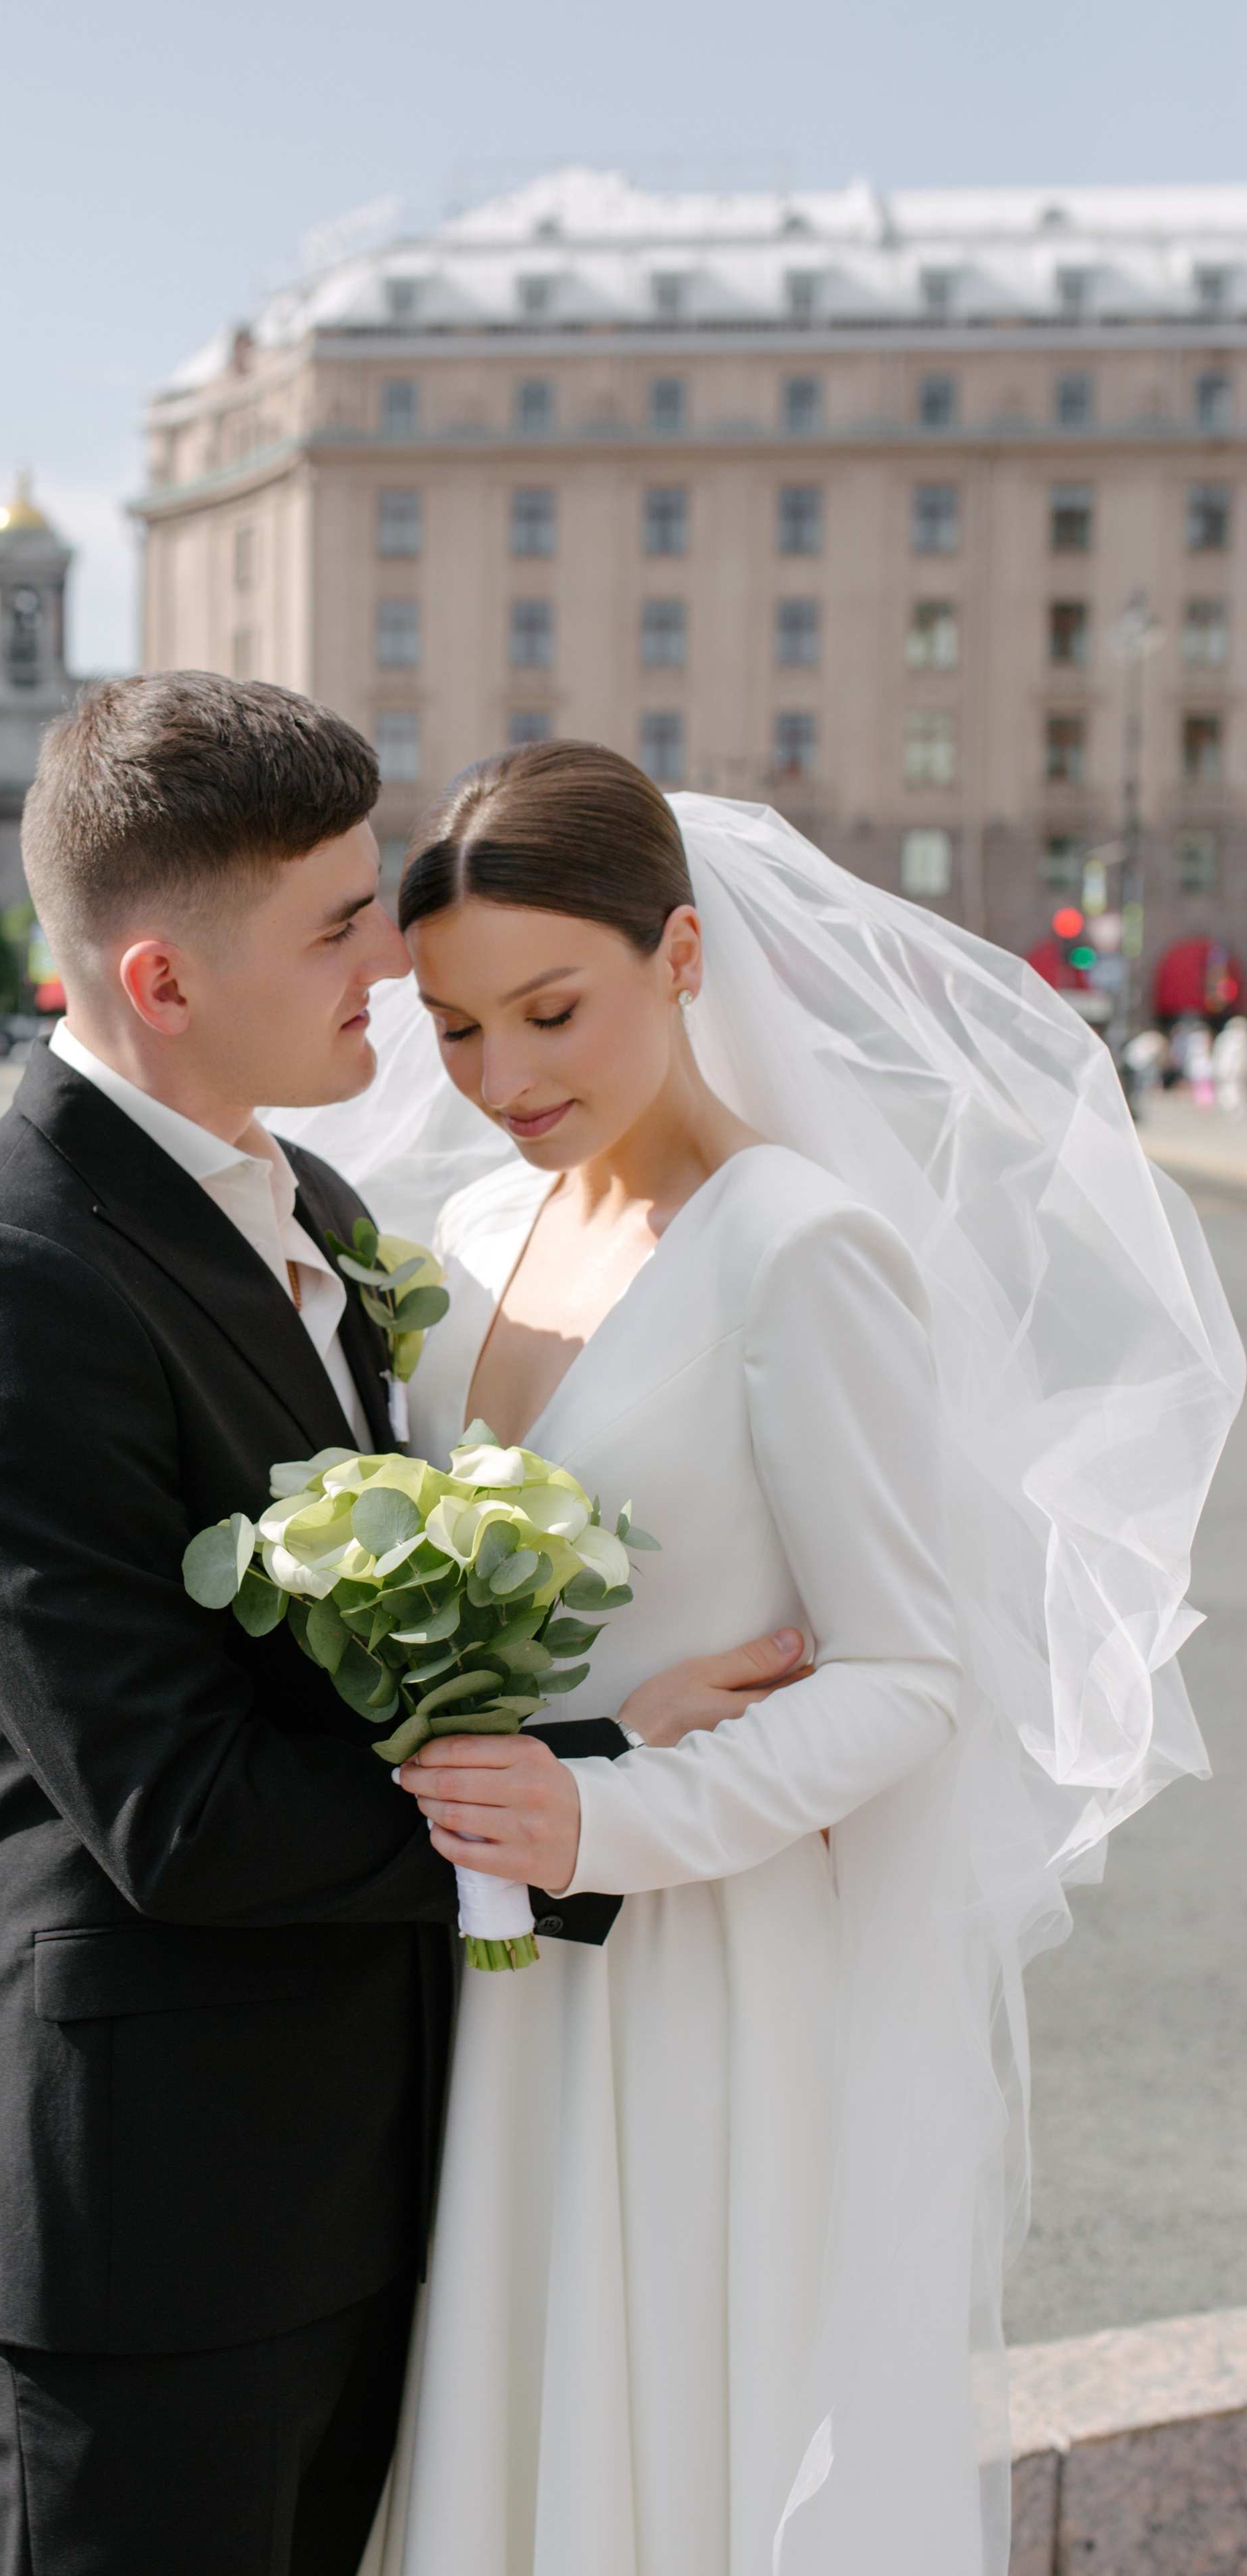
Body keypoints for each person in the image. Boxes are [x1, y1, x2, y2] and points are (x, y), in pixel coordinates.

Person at [0, 678, 806, 2576]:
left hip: (369, 2174)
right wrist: (602, 1778)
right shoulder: (0, 1284)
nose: (392, 951)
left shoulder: (325, 1207)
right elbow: (178, 1810)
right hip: (146, 2226)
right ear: (165, 981)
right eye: (338, 924)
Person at [280, 742, 1238, 2576]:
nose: (504, 1080)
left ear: (687, 957)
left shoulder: (802, 1249)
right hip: (489, 1961)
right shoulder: (474, 1235)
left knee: (678, 2449)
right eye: (463, 1030)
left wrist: (618, 1810)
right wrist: (560, 1753)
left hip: (698, 1966)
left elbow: (908, 1676)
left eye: (551, 1011)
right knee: (500, 2423)